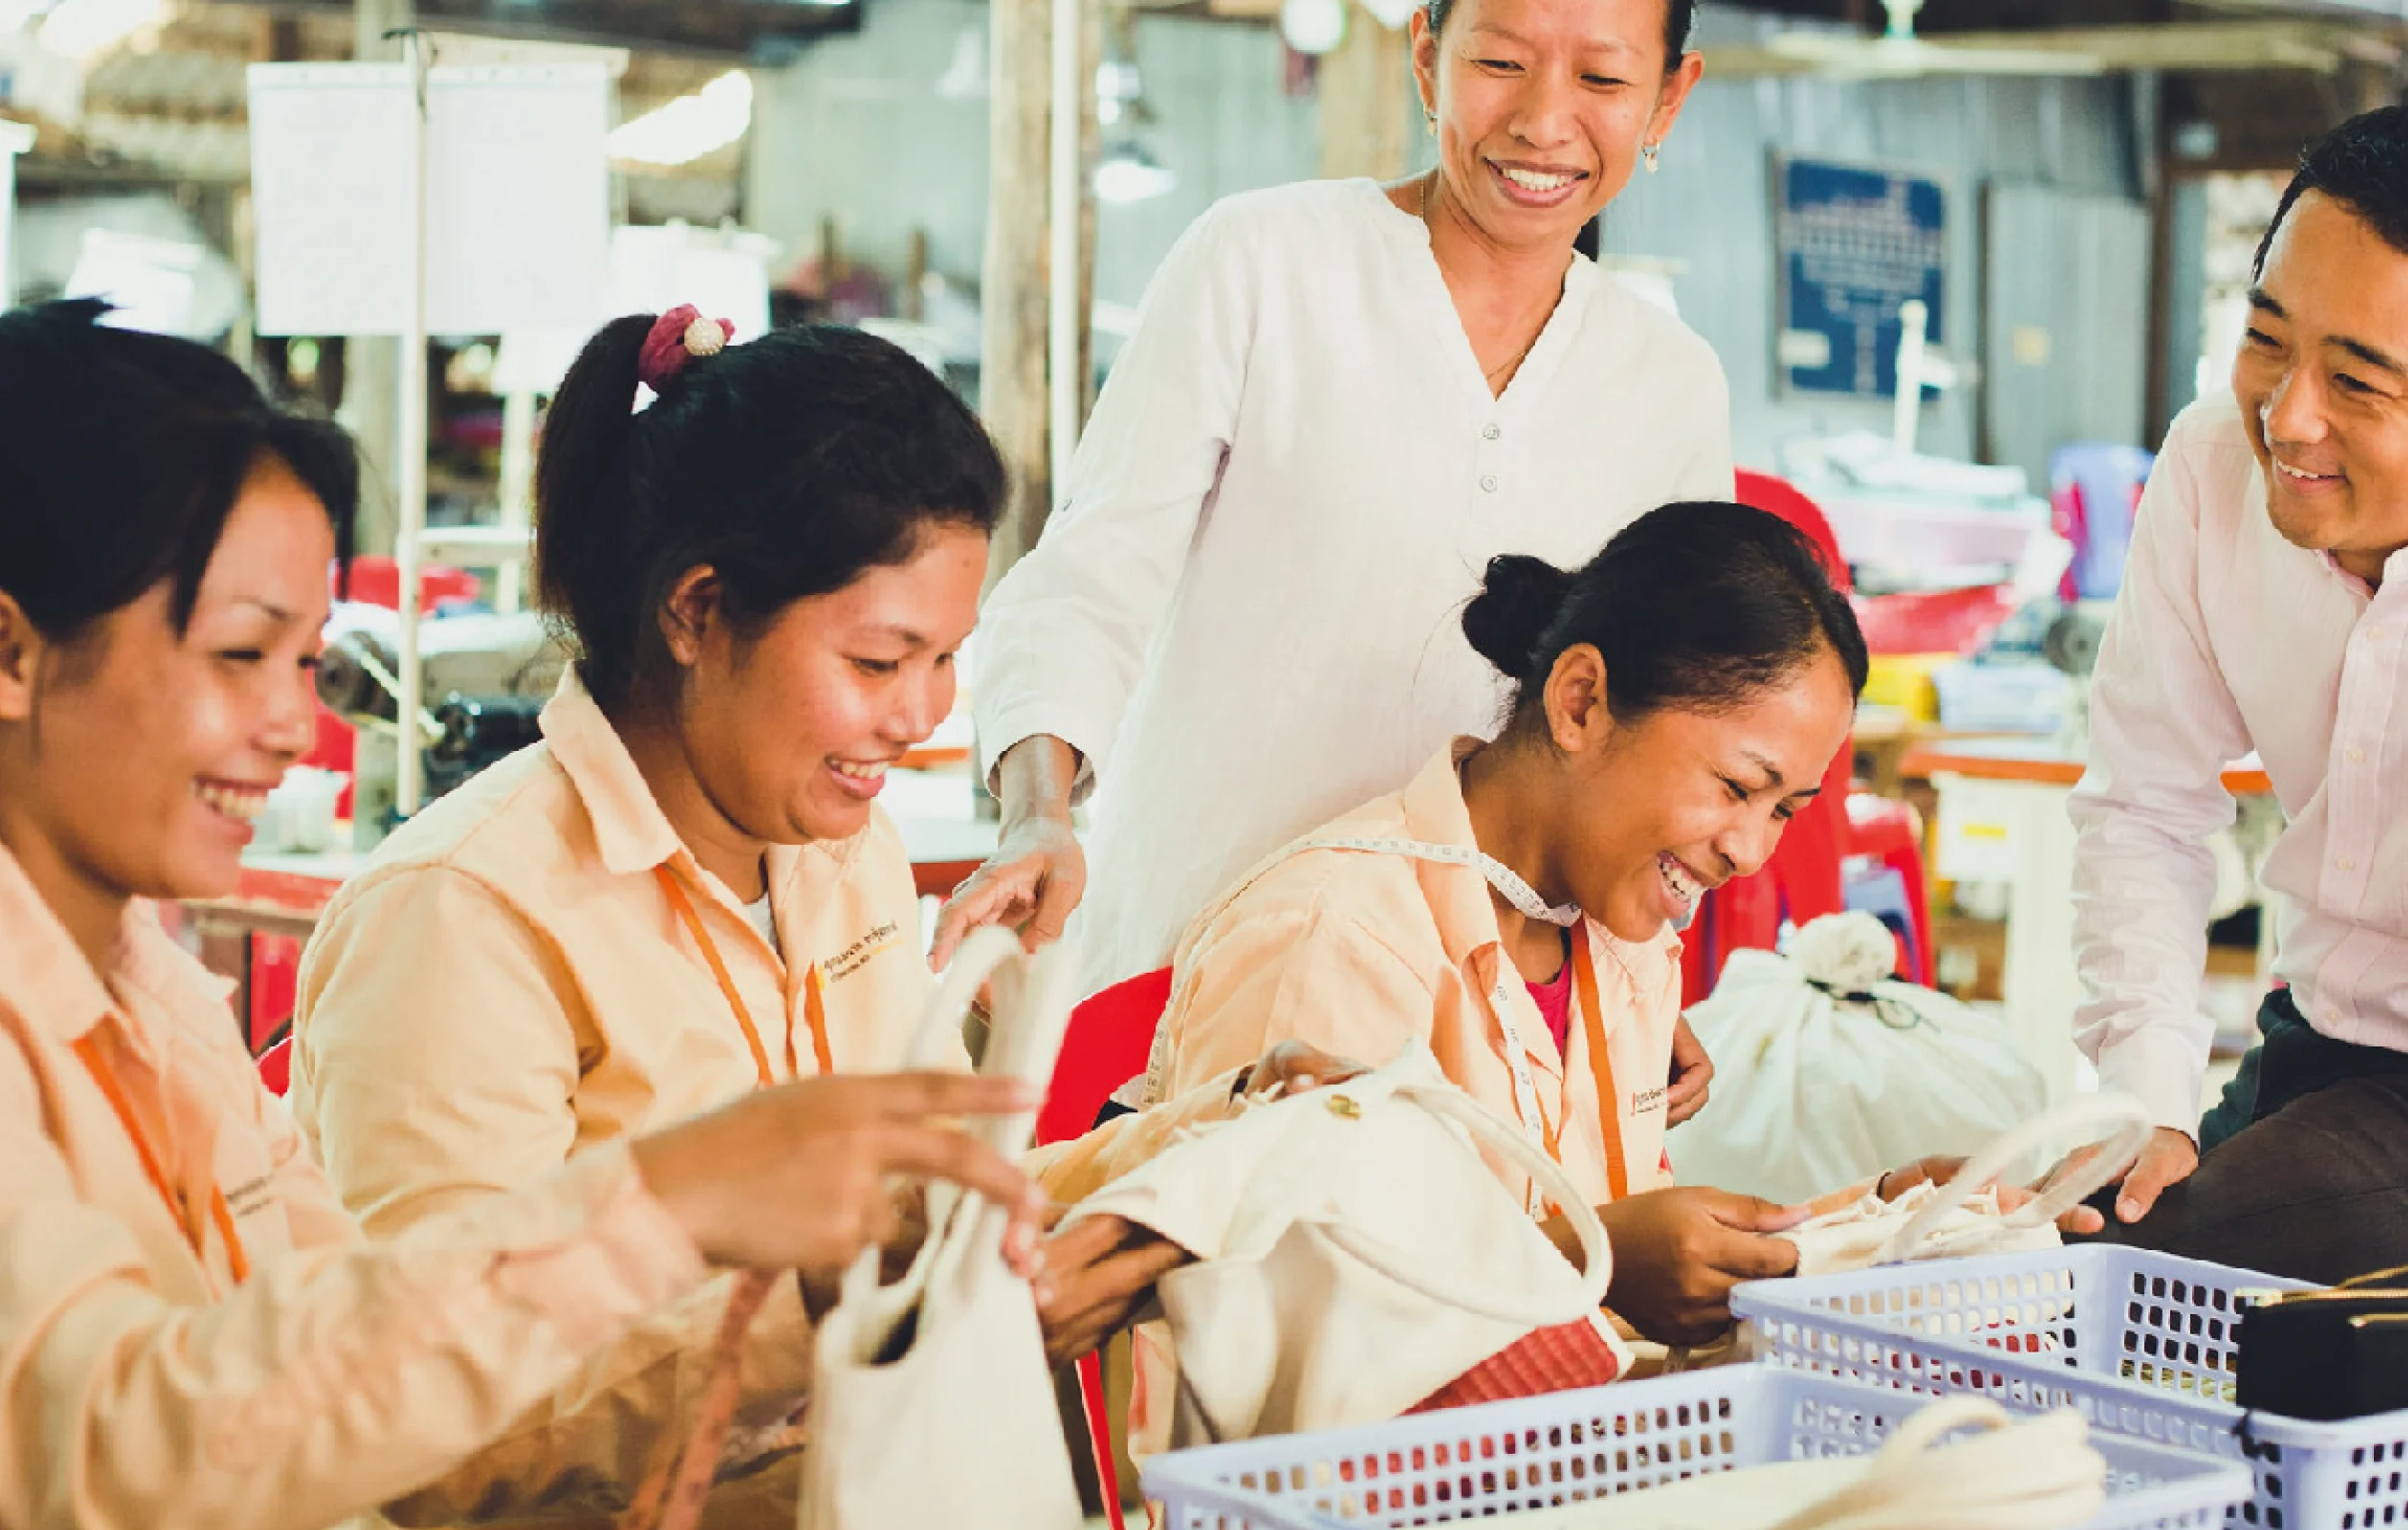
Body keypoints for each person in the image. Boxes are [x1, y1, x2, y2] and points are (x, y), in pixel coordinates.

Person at [0, 299, 1051, 1530]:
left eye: (305, 663)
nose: (293, 728)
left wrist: (1111, 1192)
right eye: (241, 656)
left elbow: (355, 1355)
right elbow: (125, 1438)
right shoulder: (459, 909)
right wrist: (683, 1214)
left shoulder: (159, 1005)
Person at [288, 310, 1320, 1525]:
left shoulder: (841, 853)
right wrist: (847, 1322)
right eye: (879, 664)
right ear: (697, 611)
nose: (920, 718)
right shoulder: (463, 920)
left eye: (947, 662)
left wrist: (1207, 1133)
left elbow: (938, 1198)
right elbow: (443, 1435)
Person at [934, 0, 1730, 1090]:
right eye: (1501, 62)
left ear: (1669, 99)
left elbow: (1664, 736)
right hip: (1181, 976)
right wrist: (1035, 817)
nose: (1546, 122)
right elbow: (1088, 579)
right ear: (1426, 59)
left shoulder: (1672, 387)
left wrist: (1636, 982)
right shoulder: (1263, 264)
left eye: (1602, 80)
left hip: (1474, 1030)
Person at [1136, 503, 2025, 1450]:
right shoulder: (1332, 939)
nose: (1751, 851)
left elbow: (1639, 1265)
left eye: (1785, 811)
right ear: (1581, 703)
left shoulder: (1621, 943)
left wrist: (1881, 1220)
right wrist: (1582, 1265)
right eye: (1737, 788)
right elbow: (1275, 1362)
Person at [2070, 105, 2408, 1282]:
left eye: (2359, 382)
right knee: (2084, 1244)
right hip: (2317, 1038)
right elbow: (2145, 804)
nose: (2288, 416)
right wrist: (2147, 1099)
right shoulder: (2210, 468)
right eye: (2267, 340)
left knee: (2170, 1286)